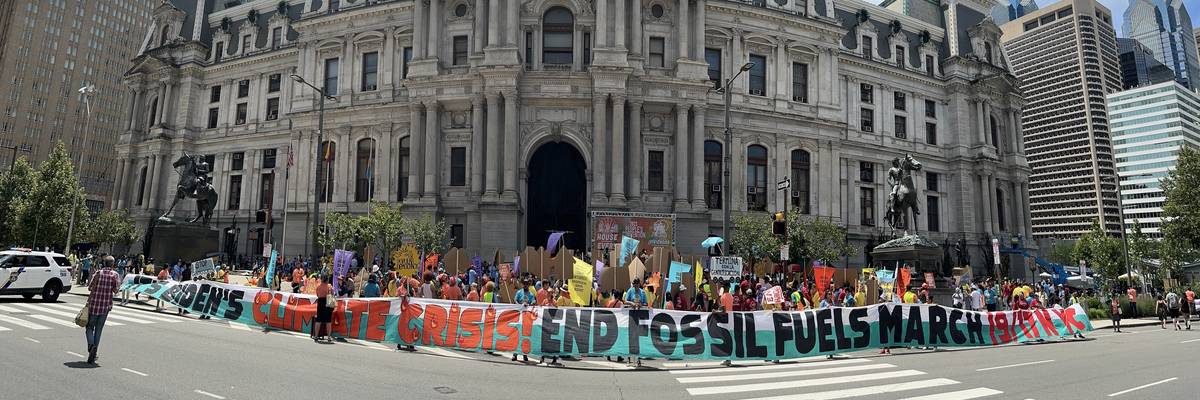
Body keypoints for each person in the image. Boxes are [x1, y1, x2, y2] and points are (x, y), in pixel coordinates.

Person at [84, 256, 120, 364]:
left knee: (89, 327)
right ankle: (94, 352)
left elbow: (90, 287)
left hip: (94, 305)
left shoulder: (98, 273)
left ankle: (91, 346)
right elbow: (116, 290)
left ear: (104, 263)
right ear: (112, 264)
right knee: (99, 330)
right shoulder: (115, 275)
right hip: (105, 306)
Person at [313, 276, 334, 343]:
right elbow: (332, 294)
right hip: (328, 302)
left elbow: (317, 294)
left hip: (320, 302)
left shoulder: (318, 287)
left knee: (319, 320)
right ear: (327, 280)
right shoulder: (329, 286)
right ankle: (329, 337)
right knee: (328, 321)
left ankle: (316, 336)